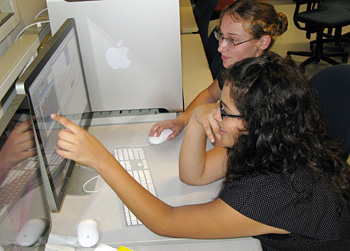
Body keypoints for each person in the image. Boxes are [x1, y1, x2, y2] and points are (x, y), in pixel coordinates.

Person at [52, 53, 350, 250]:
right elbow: (195, 175)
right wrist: (195, 118)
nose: (217, 116)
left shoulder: (274, 192)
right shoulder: (271, 141)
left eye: (225, 111)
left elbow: (164, 222)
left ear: (256, 122)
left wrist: (100, 159)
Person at [149, 0, 288, 143]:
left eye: (233, 39)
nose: (220, 47)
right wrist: (182, 120)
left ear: (262, 42)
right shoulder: (238, 65)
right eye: (221, 36)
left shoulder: (266, 89)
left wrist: (200, 120)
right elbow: (210, 93)